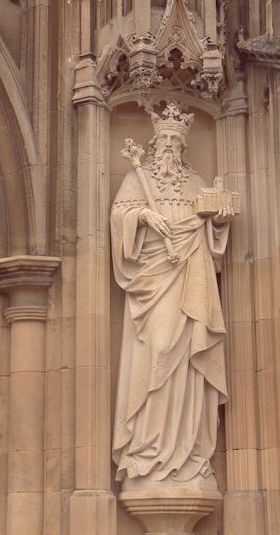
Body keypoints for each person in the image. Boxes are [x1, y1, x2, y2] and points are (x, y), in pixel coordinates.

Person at [110, 103, 233, 491]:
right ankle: (148, 452)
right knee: (159, 349)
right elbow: (120, 217)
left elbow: (211, 229)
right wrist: (144, 217)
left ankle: (189, 453)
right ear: (154, 143)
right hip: (155, 279)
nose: (168, 146)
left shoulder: (196, 182)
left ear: (183, 146)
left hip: (192, 274)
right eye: (163, 139)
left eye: (174, 141)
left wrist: (219, 218)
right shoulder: (138, 178)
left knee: (190, 359)